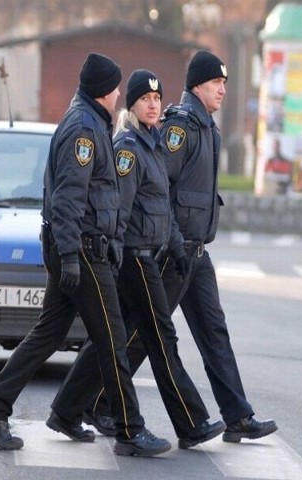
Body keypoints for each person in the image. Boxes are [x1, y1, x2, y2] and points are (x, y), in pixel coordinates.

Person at [0, 52, 171, 458]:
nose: (118, 94)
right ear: (102, 90)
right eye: (114, 87)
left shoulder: (92, 123)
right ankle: (130, 430)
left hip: (82, 249)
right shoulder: (83, 130)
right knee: (112, 339)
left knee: (49, 334)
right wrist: (72, 256)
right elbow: (68, 200)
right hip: (82, 249)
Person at [85, 51, 277, 445]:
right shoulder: (181, 129)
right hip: (171, 252)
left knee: (213, 332)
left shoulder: (209, 127)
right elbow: (157, 186)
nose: (222, 89)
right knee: (146, 333)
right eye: (214, 83)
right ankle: (98, 403)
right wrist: (164, 241)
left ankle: (237, 415)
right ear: (196, 86)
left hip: (196, 252)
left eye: (224, 83)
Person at [48, 69, 226, 450]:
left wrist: (177, 245)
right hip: (133, 257)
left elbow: (163, 207)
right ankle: (190, 422)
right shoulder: (128, 147)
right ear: (131, 104)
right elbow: (119, 208)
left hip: (150, 254)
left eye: (158, 98)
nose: (153, 104)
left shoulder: (153, 145)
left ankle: (71, 408)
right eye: (145, 98)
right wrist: (114, 251)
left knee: (118, 339)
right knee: (161, 337)